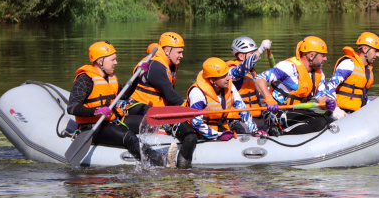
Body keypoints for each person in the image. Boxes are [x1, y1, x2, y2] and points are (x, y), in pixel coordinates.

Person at [67, 41, 161, 164]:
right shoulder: (84, 80)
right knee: (128, 136)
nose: (116, 63)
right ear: (100, 62)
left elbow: (125, 95)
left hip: (113, 120)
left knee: (147, 123)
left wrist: (138, 76)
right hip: (93, 127)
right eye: (112, 60)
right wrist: (96, 111)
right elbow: (72, 108)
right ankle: (159, 161)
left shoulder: (110, 78)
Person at [128, 32, 197, 168]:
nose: (181, 56)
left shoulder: (169, 64)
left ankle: (182, 167)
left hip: (159, 110)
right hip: (140, 109)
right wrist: (192, 111)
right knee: (188, 133)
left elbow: (170, 97)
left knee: (191, 134)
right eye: (179, 52)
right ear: (167, 50)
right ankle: (177, 167)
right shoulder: (155, 67)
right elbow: (171, 95)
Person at [253, 36, 336, 135]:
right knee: (319, 122)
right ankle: (281, 133)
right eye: (323, 55)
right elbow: (258, 79)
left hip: (297, 112)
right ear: (311, 55)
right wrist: (269, 98)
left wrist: (326, 103)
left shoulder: (319, 74)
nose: (325, 58)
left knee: (330, 120)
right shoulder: (288, 67)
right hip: (276, 112)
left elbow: (321, 97)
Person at [185, 57, 266, 140]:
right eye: (223, 76)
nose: (229, 78)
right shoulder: (197, 92)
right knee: (190, 139)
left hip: (218, 126)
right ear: (212, 80)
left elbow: (242, 109)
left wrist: (255, 131)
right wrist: (217, 136)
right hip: (192, 127)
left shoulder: (229, 86)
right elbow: (196, 122)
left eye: (227, 74)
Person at [322, 32, 379, 119]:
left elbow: (362, 98)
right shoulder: (349, 64)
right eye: (376, 51)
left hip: (355, 115)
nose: (378, 55)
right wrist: (336, 109)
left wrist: (376, 104)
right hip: (339, 114)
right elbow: (330, 86)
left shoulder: (368, 71)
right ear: (365, 49)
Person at [226, 36, 273, 129]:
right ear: (240, 56)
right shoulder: (231, 71)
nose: (256, 56)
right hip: (239, 118)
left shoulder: (252, 72)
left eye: (255, 53)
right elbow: (242, 69)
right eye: (252, 53)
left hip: (255, 115)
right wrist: (260, 50)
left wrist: (271, 92)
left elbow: (256, 92)